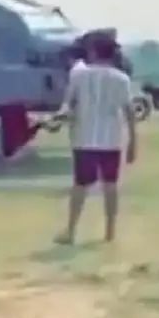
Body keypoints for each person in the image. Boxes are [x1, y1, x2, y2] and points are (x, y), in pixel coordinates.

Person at [54, 36, 137, 245]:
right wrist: (133, 141)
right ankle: (110, 231)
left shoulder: (79, 75)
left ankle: (71, 230)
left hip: (84, 138)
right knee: (110, 185)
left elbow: (69, 105)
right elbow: (129, 111)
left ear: (93, 52)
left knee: (80, 186)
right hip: (111, 139)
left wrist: (59, 118)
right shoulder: (122, 79)